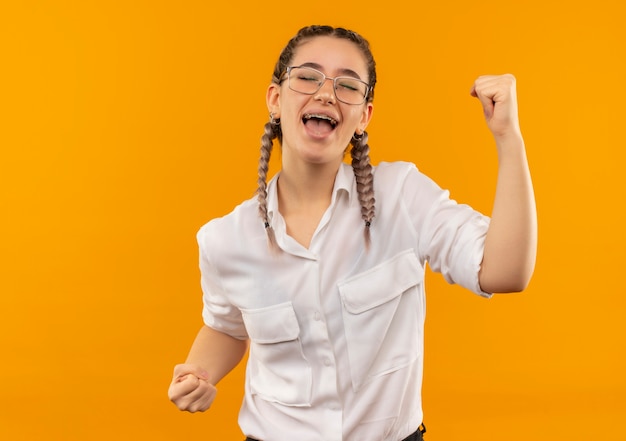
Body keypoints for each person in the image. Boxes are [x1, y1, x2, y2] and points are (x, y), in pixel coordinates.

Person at [168, 25, 537, 441]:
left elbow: (505, 272)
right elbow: (226, 327)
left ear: (364, 115)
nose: (326, 93)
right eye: (308, 77)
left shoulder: (402, 197)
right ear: (275, 99)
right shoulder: (224, 240)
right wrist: (200, 373)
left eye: (347, 85)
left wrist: (508, 138)